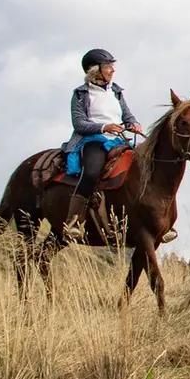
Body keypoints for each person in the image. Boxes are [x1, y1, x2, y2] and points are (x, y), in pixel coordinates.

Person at [65, 48, 143, 239]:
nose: (112, 70)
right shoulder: (81, 94)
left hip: (118, 141)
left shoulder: (116, 91)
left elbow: (127, 115)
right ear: (95, 70)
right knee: (91, 173)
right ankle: (74, 221)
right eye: (108, 66)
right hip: (93, 140)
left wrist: (133, 123)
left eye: (112, 66)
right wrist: (103, 127)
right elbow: (79, 123)